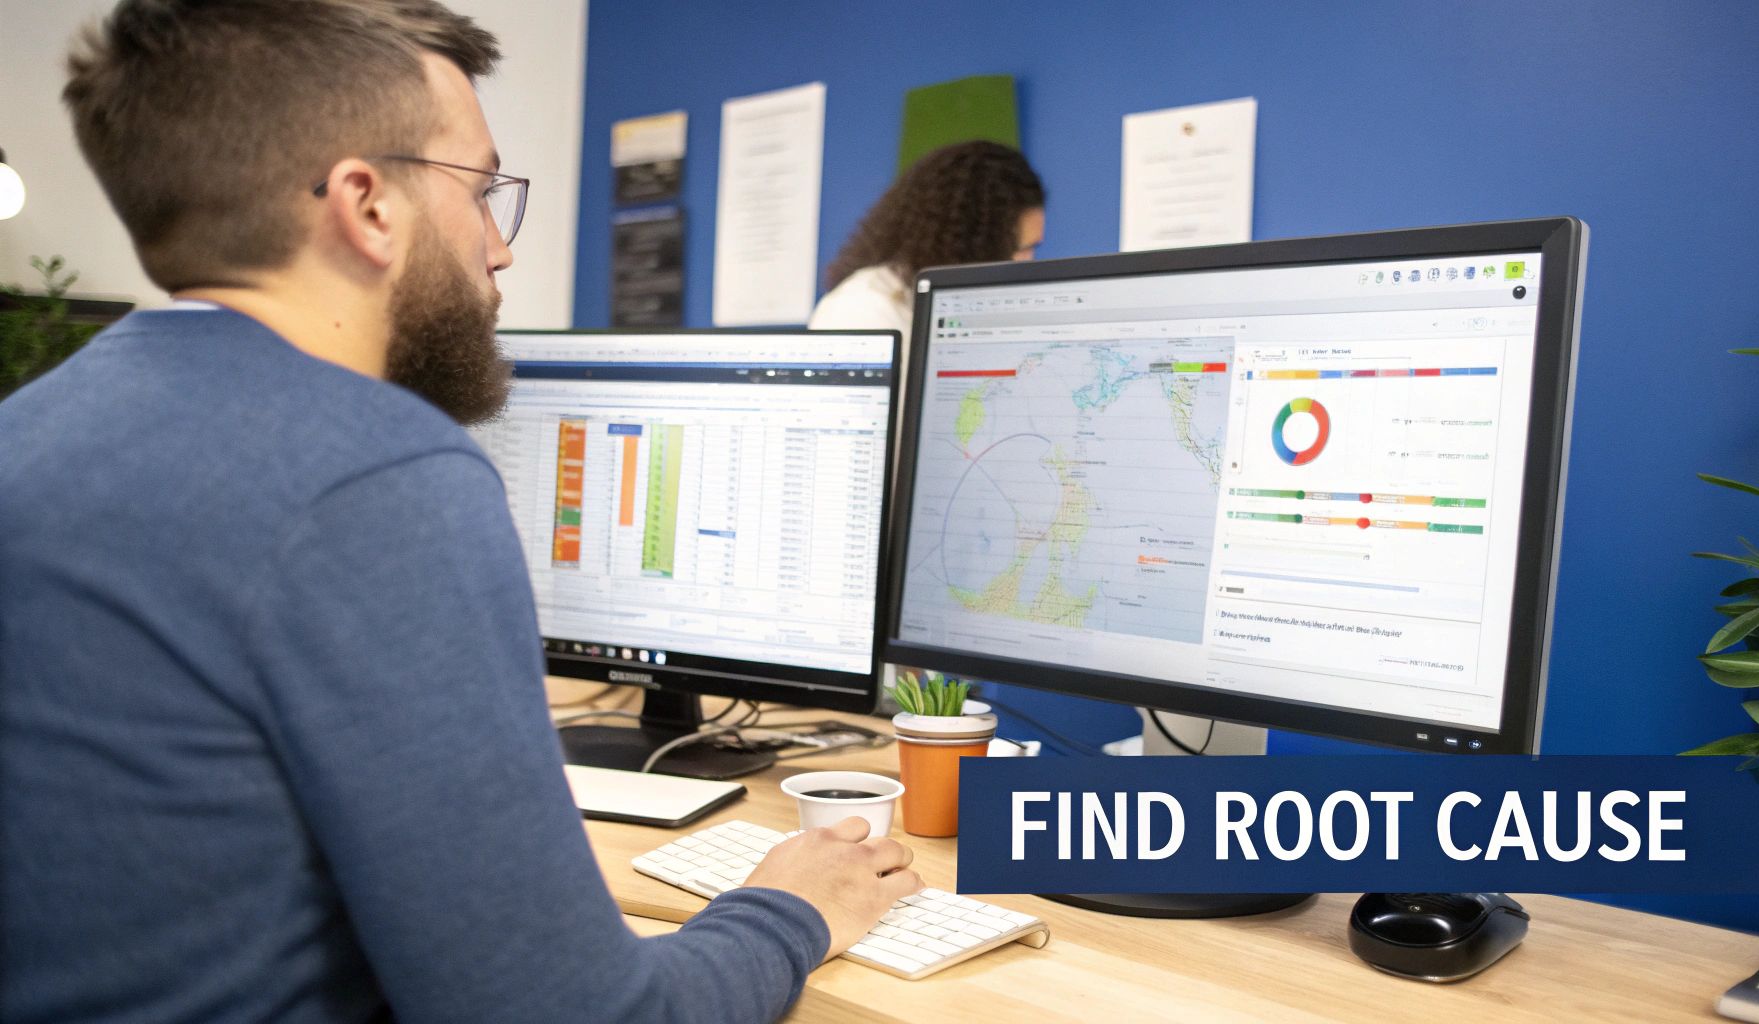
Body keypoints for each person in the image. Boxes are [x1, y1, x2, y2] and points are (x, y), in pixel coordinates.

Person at [0, 2, 919, 1022]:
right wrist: (786, 908)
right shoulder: (379, 478)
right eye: (480, 193)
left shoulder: (28, 435)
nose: (499, 246)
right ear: (368, 204)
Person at [808, 140, 1046, 340]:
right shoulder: (862, 310)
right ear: (966, 241)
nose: (1025, 263)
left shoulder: (954, 311)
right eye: (1019, 249)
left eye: (1032, 248)